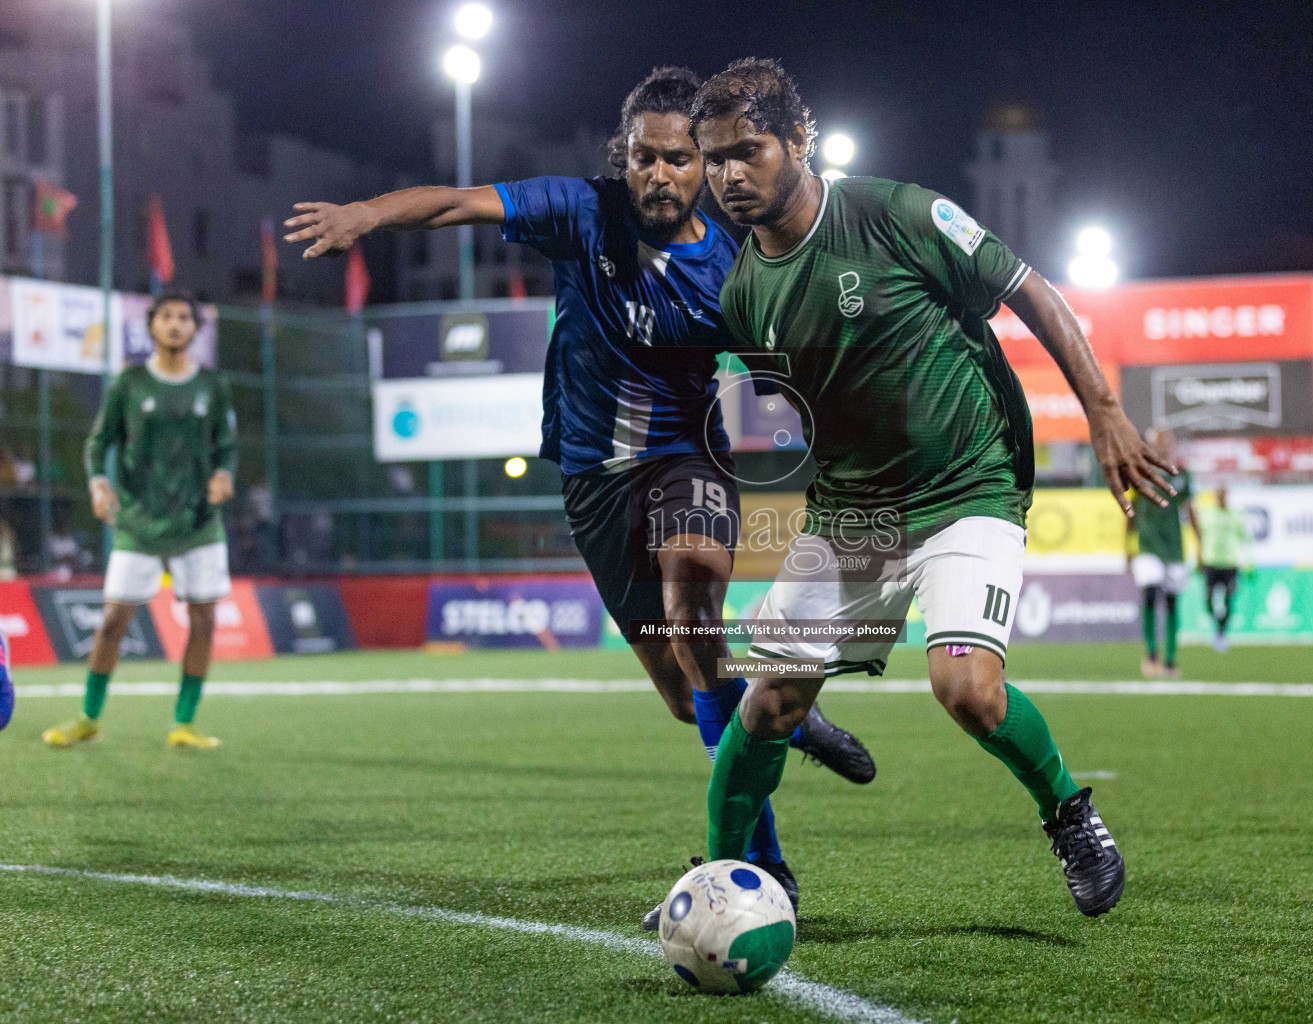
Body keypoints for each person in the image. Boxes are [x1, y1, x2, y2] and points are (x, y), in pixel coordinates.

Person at [283, 67, 876, 917]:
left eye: (679, 159)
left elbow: (796, 365)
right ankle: (773, 713)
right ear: (623, 157)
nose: (660, 174)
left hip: (687, 460)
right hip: (593, 479)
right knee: (684, 696)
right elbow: (459, 203)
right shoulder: (580, 210)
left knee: (695, 615)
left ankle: (761, 864)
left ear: (702, 166)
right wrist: (367, 215)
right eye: (645, 157)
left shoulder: (735, 265)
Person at [685, 58, 1176, 919]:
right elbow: (792, 419)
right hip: (851, 515)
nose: (729, 175)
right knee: (767, 705)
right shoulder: (742, 289)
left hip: (965, 489)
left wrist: (1104, 413)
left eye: (749, 151)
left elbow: (1032, 290)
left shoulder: (892, 213)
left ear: (799, 141)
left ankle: (1069, 813)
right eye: (715, 157)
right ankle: (722, 881)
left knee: (966, 688)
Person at [43, 291, 236, 750]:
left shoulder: (212, 385)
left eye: (184, 317)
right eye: (166, 316)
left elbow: (226, 445)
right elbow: (97, 444)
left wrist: (224, 473)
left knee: (204, 620)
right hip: (138, 520)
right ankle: (88, 717)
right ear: (151, 326)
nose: (174, 324)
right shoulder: (128, 384)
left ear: (195, 328)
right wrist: (97, 483)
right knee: (112, 621)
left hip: (198, 523)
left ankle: (183, 724)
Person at [1126, 429, 1200, 679]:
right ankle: (1150, 653)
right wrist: (1127, 544)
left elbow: (1190, 510)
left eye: (1166, 443)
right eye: (1157, 443)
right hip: (1147, 544)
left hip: (1174, 547)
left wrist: (1200, 544)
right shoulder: (1138, 471)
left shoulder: (1181, 476)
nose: (1162, 447)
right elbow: (1131, 509)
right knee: (1150, 591)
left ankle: (1170, 659)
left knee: (1171, 601)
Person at [1198, 485, 1250, 652]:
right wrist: (1198, 558)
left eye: (1223, 495)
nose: (1221, 498)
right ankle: (1217, 626)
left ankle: (1221, 632)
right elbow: (1199, 537)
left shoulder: (1236, 515)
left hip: (1229, 563)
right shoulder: (1206, 514)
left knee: (1229, 598)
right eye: (1218, 495)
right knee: (1208, 600)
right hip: (1211, 561)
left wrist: (1248, 561)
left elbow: (1245, 538)